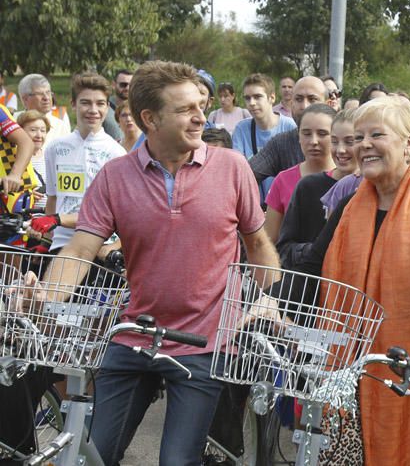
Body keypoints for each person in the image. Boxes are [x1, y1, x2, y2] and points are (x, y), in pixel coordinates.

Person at [24, 61, 280, 465]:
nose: (201, 117)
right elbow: (80, 250)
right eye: (185, 109)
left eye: (202, 105)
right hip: (133, 336)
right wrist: (49, 296)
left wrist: (270, 299)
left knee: (177, 461)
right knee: (94, 456)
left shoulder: (233, 169)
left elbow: (259, 244)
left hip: (204, 344)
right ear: (149, 118)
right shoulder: (114, 176)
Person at [296, 95, 410, 465]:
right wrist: (270, 303)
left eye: (376, 135)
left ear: (409, 143)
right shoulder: (351, 203)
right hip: (354, 368)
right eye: (358, 137)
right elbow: (313, 264)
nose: (362, 145)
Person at [26, 73, 127, 255]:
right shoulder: (55, 148)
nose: (93, 110)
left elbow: (113, 214)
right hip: (60, 245)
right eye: (85, 102)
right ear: (73, 104)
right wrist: (47, 240)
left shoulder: (117, 153)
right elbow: (53, 198)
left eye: (100, 103)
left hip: (98, 248)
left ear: (107, 107)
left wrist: (57, 219)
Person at [277, 109, 356, 268]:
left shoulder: (376, 190)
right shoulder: (308, 187)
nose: (340, 150)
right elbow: (284, 249)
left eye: (349, 141)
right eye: (334, 141)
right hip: (313, 286)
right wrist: (316, 250)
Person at [264, 104, 336, 243]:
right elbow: (270, 241)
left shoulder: (348, 179)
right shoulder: (283, 180)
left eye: (322, 133)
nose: (314, 141)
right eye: (307, 133)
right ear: (298, 136)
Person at [248, 76, 330, 188]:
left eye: (312, 99)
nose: (305, 106)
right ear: (291, 105)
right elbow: (246, 175)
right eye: (299, 99)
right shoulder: (281, 143)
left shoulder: (345, 140)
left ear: (328, 104)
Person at [232, 74, 296, 159]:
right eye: (247, 98)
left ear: (272, 98)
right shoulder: (241, 129)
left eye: (257, 97)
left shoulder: (290, 127)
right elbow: (237, 165)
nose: (252, 103)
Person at [17, 74, 71, 145]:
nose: (46, 98)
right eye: (40, 94)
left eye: (48, 93)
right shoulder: (13, 123)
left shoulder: (60, 126)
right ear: (25, 99)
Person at [17, 110, 50, 209]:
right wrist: (25, 197)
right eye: (33, 130)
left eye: (43, 130)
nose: (39, 135)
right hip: (23, 220)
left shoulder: (52, 157)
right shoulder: (12, 159)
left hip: (50, 221)